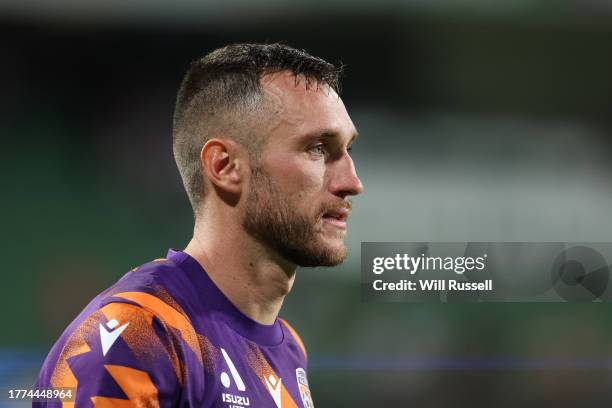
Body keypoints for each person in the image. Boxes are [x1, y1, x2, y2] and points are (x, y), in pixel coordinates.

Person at [35, 43, 363, 408]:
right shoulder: (139, 334)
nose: (352, 181)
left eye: (348, 150)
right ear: (224, 167)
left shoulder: (289, 350)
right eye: (318, 148)